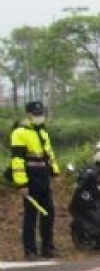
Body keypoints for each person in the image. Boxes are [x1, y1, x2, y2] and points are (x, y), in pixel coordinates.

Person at [10, 101, 61, 260]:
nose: (39, 117)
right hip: (30, 178)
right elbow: (17, 160)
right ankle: (30, 250)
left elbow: (49, 155)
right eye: (36, 114)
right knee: (31, 216)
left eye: (41, 114)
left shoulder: (42, 132)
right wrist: (21, 184)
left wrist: (55, 173)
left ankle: (48, 247)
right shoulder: (20, 132)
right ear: (29, 115)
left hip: (43, 176)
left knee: (48, 213)